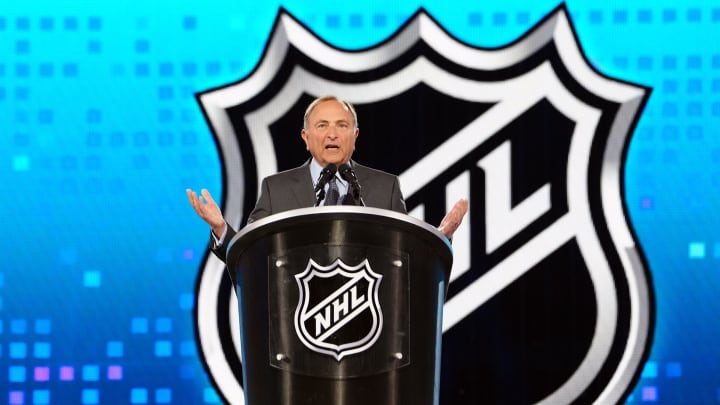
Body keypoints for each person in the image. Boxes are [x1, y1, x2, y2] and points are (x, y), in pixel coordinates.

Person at [187, 95, 468, 262]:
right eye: (322, 126)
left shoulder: (385, 187)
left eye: (342, 125)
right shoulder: (276, 189)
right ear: (306, 138)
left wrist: (437, 244)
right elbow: (250, 256)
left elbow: (403, 259)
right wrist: (223, 230)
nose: (332, 134)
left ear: (354, 136)